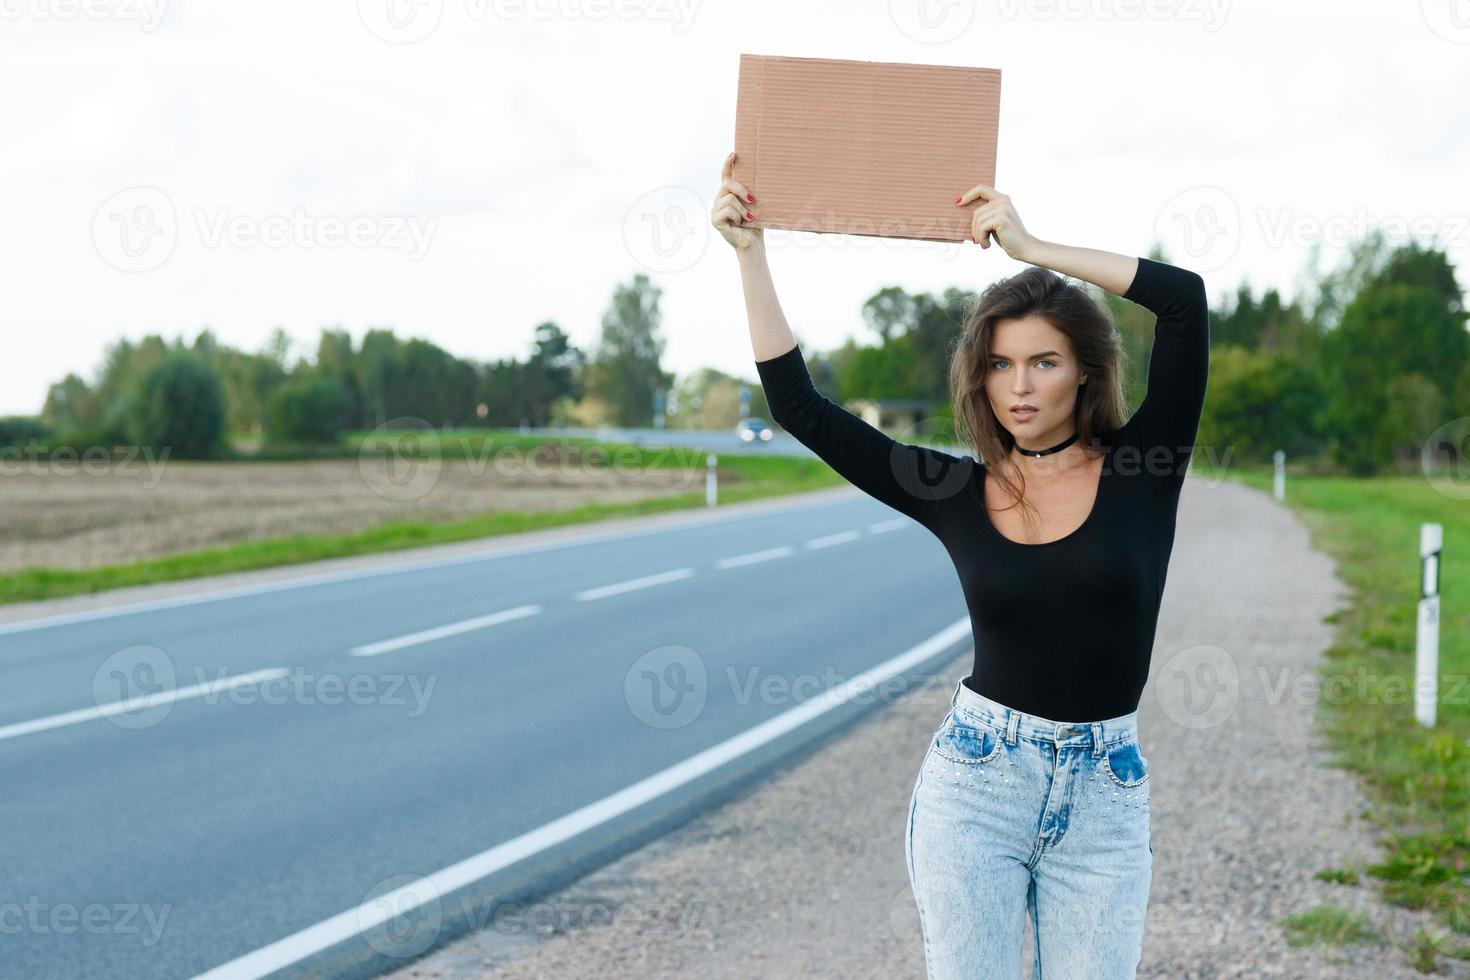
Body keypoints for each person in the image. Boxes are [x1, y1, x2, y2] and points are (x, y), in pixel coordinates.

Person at [711, 150, 1210, 978]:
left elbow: (1183, 301)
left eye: (1044, 361)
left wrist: (1032, 246)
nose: (1020, 386)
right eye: (1000, 363)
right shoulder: (951, 490)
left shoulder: (1145, 467)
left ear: (1083, 372)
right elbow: (798, 407)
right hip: (979, 786)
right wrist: (750, 255)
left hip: (1105, 795)